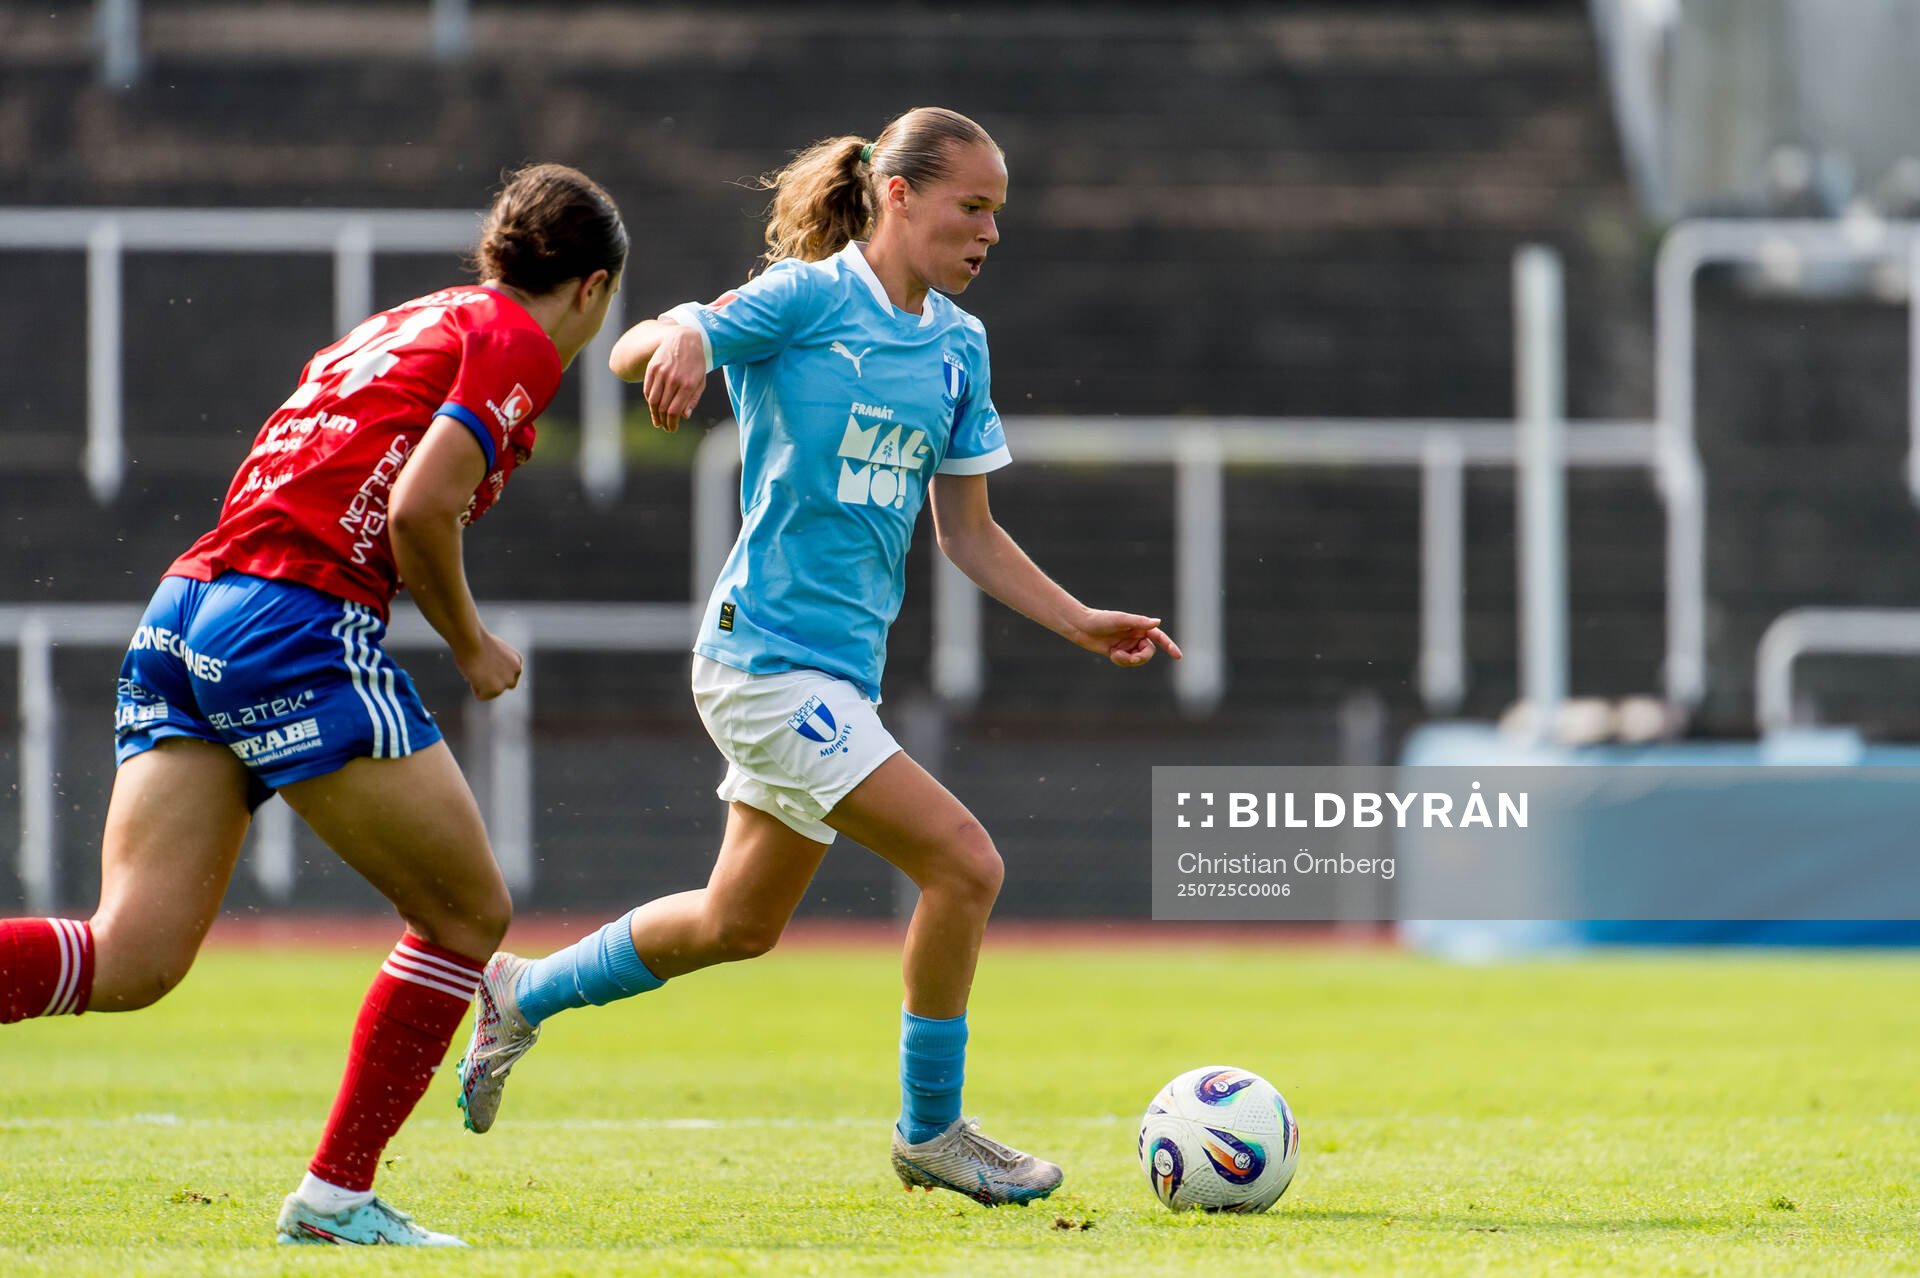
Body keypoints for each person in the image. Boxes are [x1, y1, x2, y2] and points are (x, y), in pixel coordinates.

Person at [455, 108, 1179, 1206]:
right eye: (972, 207)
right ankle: (931, 1131)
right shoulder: (806, 299)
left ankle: (522, 993)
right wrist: (683, 334)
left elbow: (968, 533)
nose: (990, 233)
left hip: (837, 678)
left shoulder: (960, 348)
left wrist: (1077, 620)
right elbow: (637, 347)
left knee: (737, 922)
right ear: (898, 194)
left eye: (998, 213)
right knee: (966, 864)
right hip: (762, 660)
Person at [0, 163, 626, 1246]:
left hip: (186, 609)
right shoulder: (516, 338)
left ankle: (338, 1201)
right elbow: (422, 509)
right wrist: (471, 647)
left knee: (130, 956)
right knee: (468, 916)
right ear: (595, 288)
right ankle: (336, 1200)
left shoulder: (404, 320)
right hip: (290, 619)